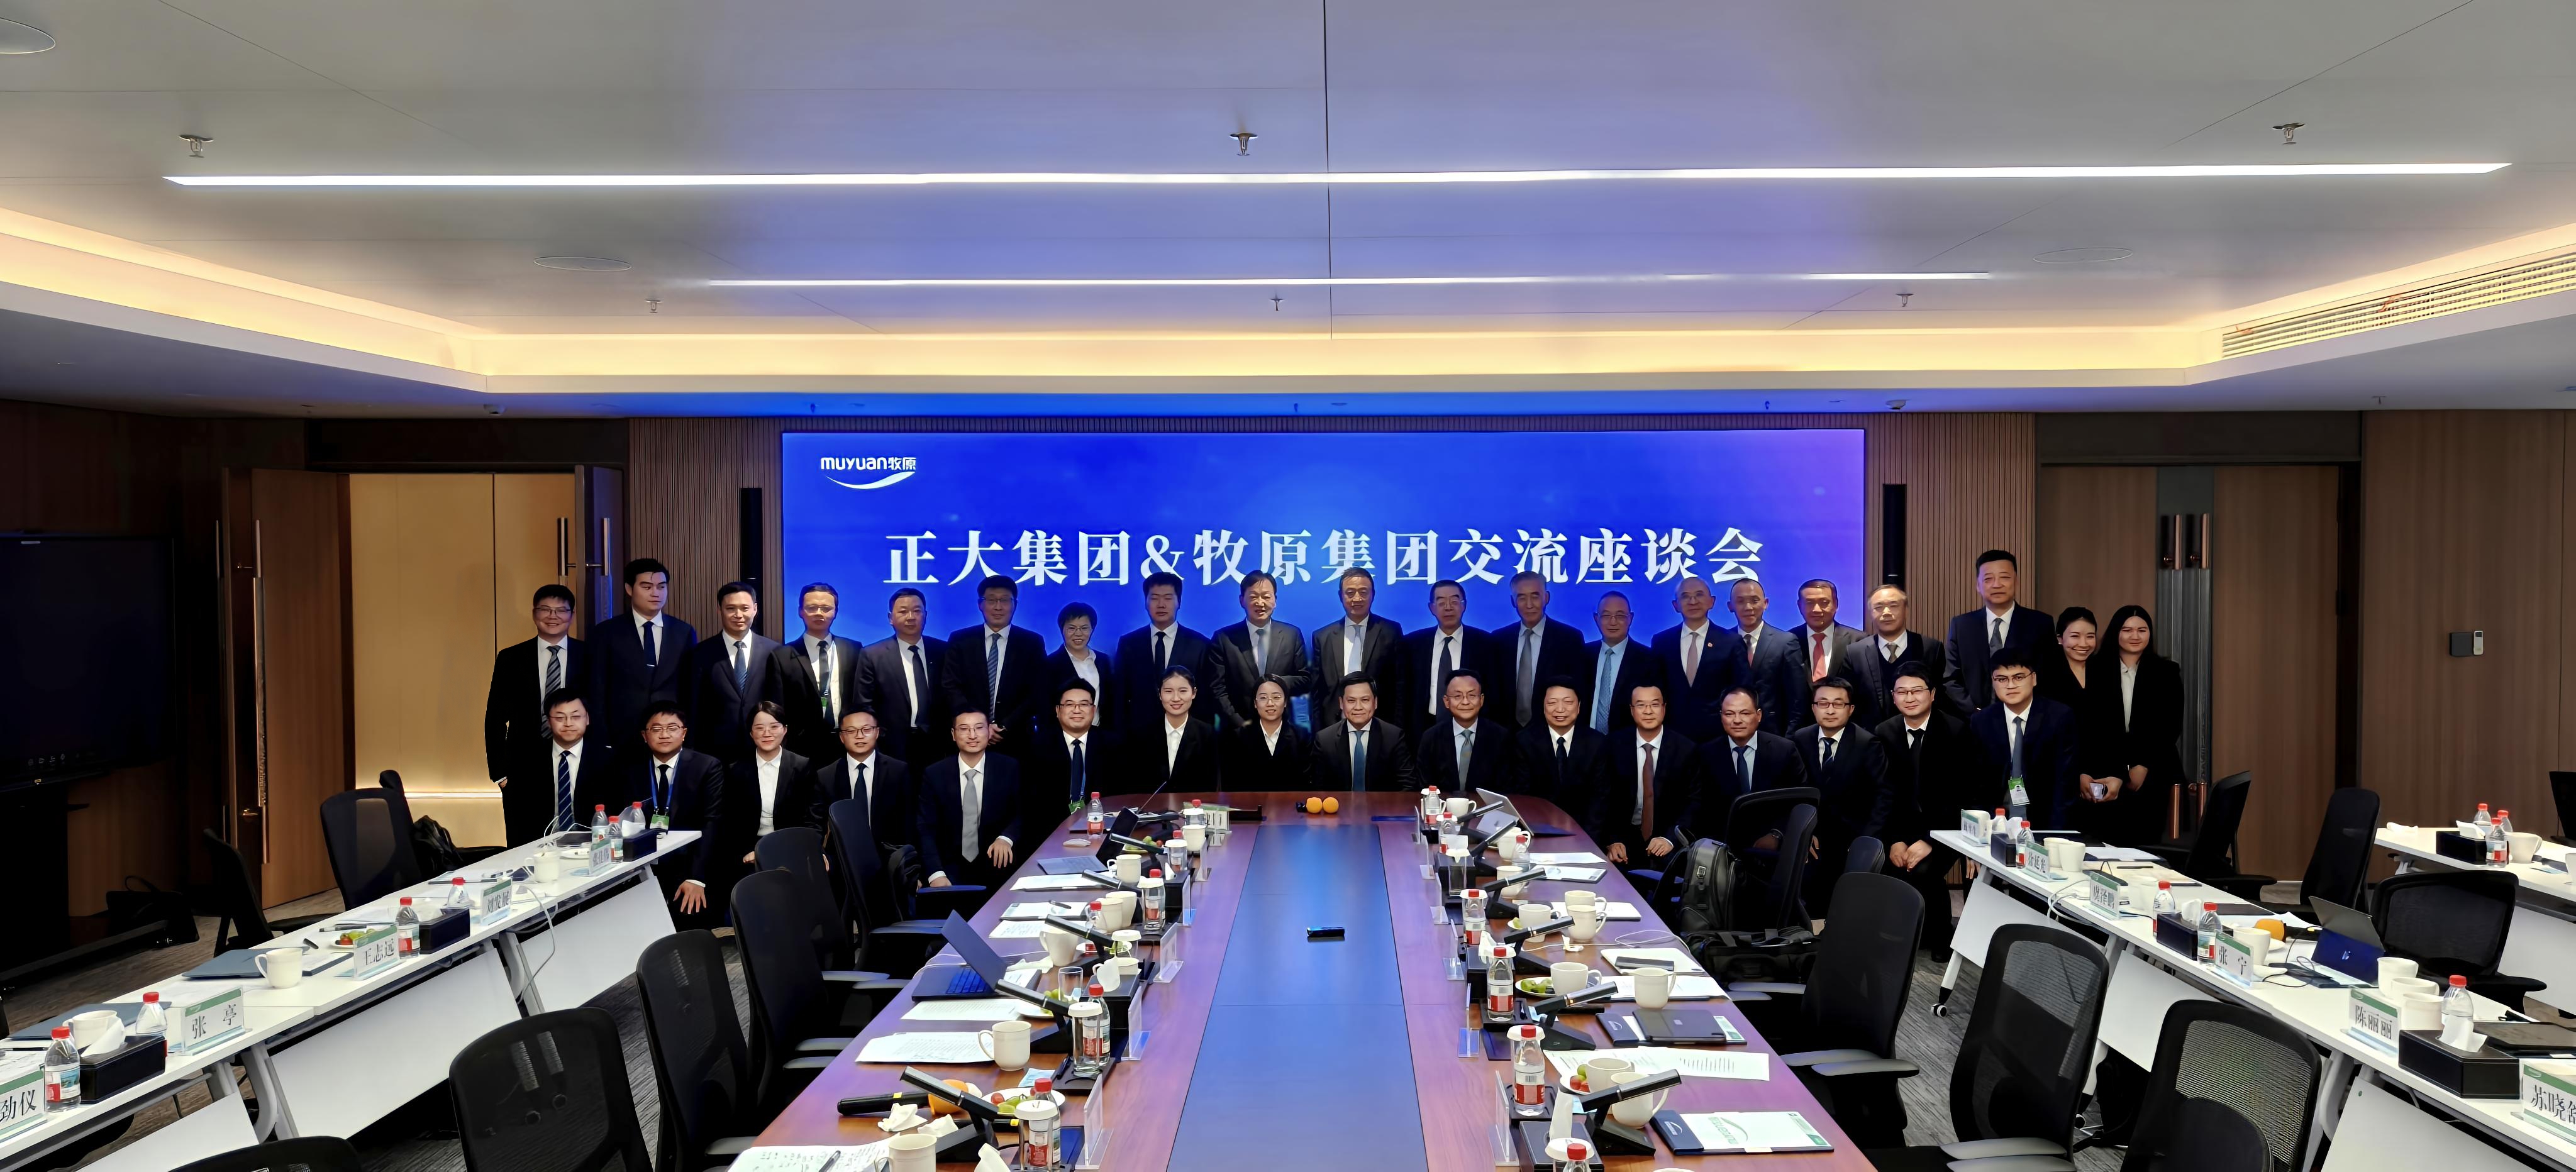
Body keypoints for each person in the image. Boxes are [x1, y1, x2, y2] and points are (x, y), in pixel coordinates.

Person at [1874, 663, 1978, 958]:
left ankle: (1941, 936)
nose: (1910, 698)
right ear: (1893, 697)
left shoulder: (1956, 730)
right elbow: (1884, 794)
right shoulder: (1884, 732)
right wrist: (1895, 840)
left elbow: (1960, 795)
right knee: (1890, 866)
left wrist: (1930, 840)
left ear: (1932, 694)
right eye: (1902, 692)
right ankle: (1907, 936)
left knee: (1923, 870)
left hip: (1947, 827)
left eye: (1917, 691)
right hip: (1902, 828)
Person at [486, 585, 587, 844]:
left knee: (578, 840)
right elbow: (495, 717)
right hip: (522, 767)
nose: (553, 616)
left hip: (575, 762)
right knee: (524, 844)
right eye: (545, 610)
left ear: (572, 615)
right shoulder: (511, 658)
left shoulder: (589, 655)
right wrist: (500, 774)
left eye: (561, 610)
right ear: (534, 614)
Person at [1790, 676, 1890, 914]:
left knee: (1849, 906)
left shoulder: (1867, 742)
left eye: (1838, 704)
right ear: (1813, 708)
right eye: (1823, 704)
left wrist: (1866, 840)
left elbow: (1883, 795)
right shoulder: (1800, 739)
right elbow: (1795, 791)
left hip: (1852, 838)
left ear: (1851, 709)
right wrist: (1803, 832)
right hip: (1813, 836)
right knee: (1808, 901)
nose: (1830, 710)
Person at [706, 702, 815, 918]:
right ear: (751, 733)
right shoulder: (736, 770)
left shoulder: (802, 766)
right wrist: (751, 851)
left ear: (785, 730)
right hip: (747, 851)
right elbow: (730, 822)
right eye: (759, 728)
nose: (767, 733)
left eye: (774, 727)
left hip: (789, 846)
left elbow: (808, 818)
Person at [620, 701, 722, 926]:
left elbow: (712, 822)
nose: (664, 735)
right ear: (645, 736)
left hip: (689, 867)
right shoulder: (631, 770)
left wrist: (696, 878)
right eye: (656, 729)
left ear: (684, 733)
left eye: (672, 728)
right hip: (644, 867)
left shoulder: (706, 767)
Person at [810, 708, 911, 923]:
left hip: (887, 860)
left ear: (877, 732)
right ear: (841, 736)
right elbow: (815, 821)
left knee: (887, 926)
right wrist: (817, 852)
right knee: (838, 924)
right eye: (851, 731)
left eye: (866, 729)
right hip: (841, 863)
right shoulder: (825, 776)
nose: (859, 736)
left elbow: (908, 822)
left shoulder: (899, 771)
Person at [587, 558, 697, 753]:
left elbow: (690, 688)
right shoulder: (606, 633)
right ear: (629, 589)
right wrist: (602, 737)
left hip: (670, 734)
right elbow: (597, 689)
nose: (655, 593)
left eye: (661, 586)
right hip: (621, 735)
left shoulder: (684, 632)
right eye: (647, 587)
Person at [2038, 606, 2127, 840]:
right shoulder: (2045, 675)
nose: (2084, 644)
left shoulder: (2106, 670)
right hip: (2060, 779)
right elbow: (2045, 735)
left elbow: (2117, 726)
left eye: (2090, 636)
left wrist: (2118, 775)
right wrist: (2076, 775)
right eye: (2075, 636)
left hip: (2104, 777)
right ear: (2060, 638)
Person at [916, 707, 1021, 896]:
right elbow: (925, 828)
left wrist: (1006, 838)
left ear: (989, 731)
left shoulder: (1009, 767)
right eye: (964, 729)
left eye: (979, 728)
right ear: (953, 734)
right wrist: (935, 873)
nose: (972, 735)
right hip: (948, 867)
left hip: (996, 863)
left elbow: (1023, 812)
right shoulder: (935, 774)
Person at [1970, 648, 2079, 830]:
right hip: (1996, 823)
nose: (2010, 685)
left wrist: (2056, 835)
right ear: (1993, 682)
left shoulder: (2059, 717)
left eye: (2018, 677)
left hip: (2044, 822)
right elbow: (1976, 784)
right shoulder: (1982, 721)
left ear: (2034, 678)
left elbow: (2065, 784)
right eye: (2002, 679)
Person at [941, 575, 1049, 756]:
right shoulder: (960, 640)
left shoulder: (1032, 643)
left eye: (1005, 600)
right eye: (991, 600)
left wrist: (1006, 725)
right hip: (969, 737)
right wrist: (979, 725)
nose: (998, 607)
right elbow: (950, 685)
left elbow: (1038, 691)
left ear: (1015, 604)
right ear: (980, 604)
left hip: (1017, 738)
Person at [1688, 687, 1811, 846]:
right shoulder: (1706, 754)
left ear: (1759, 715)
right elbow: (1699, 805)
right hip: (1720, 845)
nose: (1737, 720)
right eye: (1729, 714)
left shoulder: (1785, 750)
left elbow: (1801, 800)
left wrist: (1777, 834)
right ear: (1721, 716)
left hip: (1775, 847)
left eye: (1745, 713)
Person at [2107, 605, 2187, 847]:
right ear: (2116, 632)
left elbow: (2170, 726)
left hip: (2156, 767)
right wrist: (2122, 770)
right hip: (2110, 768)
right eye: (2127, 630)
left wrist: (2143, 764)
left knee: (2151, 844)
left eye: (2142, 630)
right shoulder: (2097, 668)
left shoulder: (2167, 672)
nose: (2135, 636)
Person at [765, 582, 865, 766]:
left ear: (836, 612)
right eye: (812, 608)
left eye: (826, 608)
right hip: (802, 747)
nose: (819, 613)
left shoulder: (854, 649)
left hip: (848, 743)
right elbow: (777, 707)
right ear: (800, 611)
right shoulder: (782, 655)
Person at [1599, 683, 1698, 868]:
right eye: (1641, 705)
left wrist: (1670, 839)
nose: (1648, 711)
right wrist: (1612, 840)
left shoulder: (1686, 749)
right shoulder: (1613, 746)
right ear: (1632, 710)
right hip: (1625, 837)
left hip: (1667, 838)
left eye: (1655, 704)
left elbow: (1694, 802)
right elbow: (1602, 798)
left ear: (1664, 708)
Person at [1944, 550, 2053, 711]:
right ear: (1978, 585)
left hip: (2028, 718)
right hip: (1972, 720)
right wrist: (1976, 714)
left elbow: (2050, 677)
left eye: (2005, 577)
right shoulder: (1961, 626)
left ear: (2016, 582)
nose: (1997, 584)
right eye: (1988, 579)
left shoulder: (2040, 624)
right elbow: (1951, 679)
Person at [684, 582, 779, 764]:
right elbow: (693, 707)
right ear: (719, 610)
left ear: (755, 609)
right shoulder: (700, 654)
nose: (738, 615)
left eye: (745, 608)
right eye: (731, 609)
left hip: (762, 749)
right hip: (713, 753)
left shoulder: (774, 651)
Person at [1833, 584, 1951, 730]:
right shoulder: (1855, 653)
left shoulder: (1930, 648)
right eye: (1879, 607)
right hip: (1869, 737)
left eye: (1893, 606)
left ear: (1906, 610)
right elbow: (1847, 700)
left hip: (1920, 736)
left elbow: (1940, 698)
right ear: (1871, 614)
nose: (1886, 612)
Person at [855, 587, 946, 770]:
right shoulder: (872, 655)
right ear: (891, 618)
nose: (911, 617)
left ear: (926, 615)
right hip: (891, 747)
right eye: (903, 612)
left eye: (917, 611)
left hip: (939, 746)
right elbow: (864, 704)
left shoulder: (943, 651)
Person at [1210, 572, 1312, 729]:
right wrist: (1239, 723)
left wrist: (1275, 683)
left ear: (1275, 600)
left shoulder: (1292, 635)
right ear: (1241, 601)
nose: (1260, 602)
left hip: (1281, 729)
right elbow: (1217, 689)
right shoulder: (1224, 639)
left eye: (1266, 597)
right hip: (1236, 730)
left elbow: (1305, 679)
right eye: (1253, 597)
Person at [1116, 572, 1219, 726]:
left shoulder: (1200, 645)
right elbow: (1120, 696)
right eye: (1154, 598)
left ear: (1179, 602)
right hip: (1139, 733)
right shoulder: (1129, 644)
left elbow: (1206, 698)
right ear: (1146, 603)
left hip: (1188, 732)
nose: (1161, 605)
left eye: (1168, 598)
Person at [1021, 678, 1116, 840]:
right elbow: (1030, 800)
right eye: (1070, 705)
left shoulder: (1114, 746)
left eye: (1084, 704)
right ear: (1058, 710)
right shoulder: (1037, 747)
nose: (1077, 710)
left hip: (1103, 830)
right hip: (1049, 832)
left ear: (1093, 710)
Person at [1492, 572, 1587, 734]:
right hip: (1505, 733)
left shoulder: (1570, 639)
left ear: (1547, 598)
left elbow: (1578, 691)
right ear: (1513, 601)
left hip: (1552, 732)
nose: (1529, 605)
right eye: (1522, 598)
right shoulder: (1499, 639)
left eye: (1535, 596)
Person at [1311, 567, 1405, 725]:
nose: (1357, 598)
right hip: (1334, 726)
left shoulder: (1390, 632)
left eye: (1363, 592)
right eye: (1350, 593)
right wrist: (1318, 732)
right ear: (1341, 596)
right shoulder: (1323, 637)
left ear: (1373, 595)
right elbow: (1317, 692)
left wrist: (1397, 729)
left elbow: (1400, 686)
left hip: (1380, 724)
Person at [1404, 580, 1501, 726]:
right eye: (1441, 602)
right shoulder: (1413, 644)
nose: (1448, 607)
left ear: (1464, 605)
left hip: (1472, 725)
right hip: (1424, 726)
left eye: (1454, 602)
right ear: (1432, 608)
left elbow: (1493, 693)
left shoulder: (1485, 643)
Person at [1718, 577, 1804, 735]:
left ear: (1766, 603)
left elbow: (1797, 698)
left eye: (1754, 600)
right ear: (1730, 606)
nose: (1748, 607)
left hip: (1775, 734)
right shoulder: (1722, 642)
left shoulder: (1785, 642)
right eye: (1741, 601)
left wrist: (1790, 738)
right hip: (1730, 734)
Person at [1518, 678, 1609, 823]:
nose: (1560, 709)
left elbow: (1600, 798)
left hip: (1584, 828)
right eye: (1552, 703)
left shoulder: (1596, 743)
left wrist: (1586, 836)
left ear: (1579, 707)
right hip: (1538, 825)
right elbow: (1522, 796)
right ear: (1543, 707)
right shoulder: (1524, 742)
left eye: (1568, 702)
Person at [1415, 667, 1518, 795]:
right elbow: (1425, 786)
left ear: (1481, 700)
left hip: (1487, 806)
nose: (1465, 702)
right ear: (1447, 701)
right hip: (1443, 806)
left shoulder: (1500, 737)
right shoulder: (1431, 738)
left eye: (1472, 695)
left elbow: (1506, 787)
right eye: (1458, 696)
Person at [1650, 576, 1729, 741]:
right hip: (1673, 735)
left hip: (1718, 736)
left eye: (1699, 595)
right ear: (1676, 605)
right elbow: (1656, 688)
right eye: (1685, 596)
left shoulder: (1731, 641)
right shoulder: (1662, 642)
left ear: (1712, 602)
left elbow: (1739, 689)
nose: (1693, 601)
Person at [1309, 672, 1418, 791]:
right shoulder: (1325, 740)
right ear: (1341, 703)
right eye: (1351, 701)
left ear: (1375, 703)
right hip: (1340, 803)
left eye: (1365, 700)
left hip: (1382, 803)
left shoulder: (1393, 737)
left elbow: (1408, 785)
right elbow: (1318, 789)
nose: (1358, 707)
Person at [535, 688, 618, 838]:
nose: (568, 723)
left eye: (576, 717)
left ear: (587, 719)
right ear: (548, 722)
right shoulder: (530, 759)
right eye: (560, 718)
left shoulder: (608, 759)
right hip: (542, 843)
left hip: (593, 841)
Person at [1581, 590, 1665, 737]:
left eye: (1620, 616)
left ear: (1630, 618)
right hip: (1585, 742)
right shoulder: (1582, 655)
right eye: (1606, 616)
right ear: (1596, 618)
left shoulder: (1649, 659)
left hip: (1628, 742)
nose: (1613, 622)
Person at [1131, 665, 1222, 792]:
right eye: (1168, 691)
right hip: (1153, 805)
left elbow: (1211, 783)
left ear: (1194, 693)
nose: (1175, 698)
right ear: (1160, 694)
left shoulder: (1207, 733)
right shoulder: (1143, 735)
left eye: (1183, 691)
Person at [1786, 580, 1864, 726]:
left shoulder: (1859, 641)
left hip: (1847, 728)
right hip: (1797, 730)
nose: (1816, 609)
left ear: (1836, 604)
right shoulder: (1787, 641)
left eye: (1824, 602)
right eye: (1809, 603)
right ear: (1799, 606)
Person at [1223, 679, 1313, 790]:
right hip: (1250, 800)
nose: (1270, 704)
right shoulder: (1239, 737)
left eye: (1276, 697)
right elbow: (1233, 783)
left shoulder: (1301, 736)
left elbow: (1305, 782)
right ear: (1255, 703)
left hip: (1290, 800)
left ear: (1285, 702)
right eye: (1263, 698)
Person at [1041, 602, 1117, 730]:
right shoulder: (1049, 665)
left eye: (1084, 628)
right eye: (1072, 628)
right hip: (1062, 736)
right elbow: (1044, 709)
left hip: (1101, 736)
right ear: (1062, 630)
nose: (1078, 633)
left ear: (1092, 629)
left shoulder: (1104, 661)